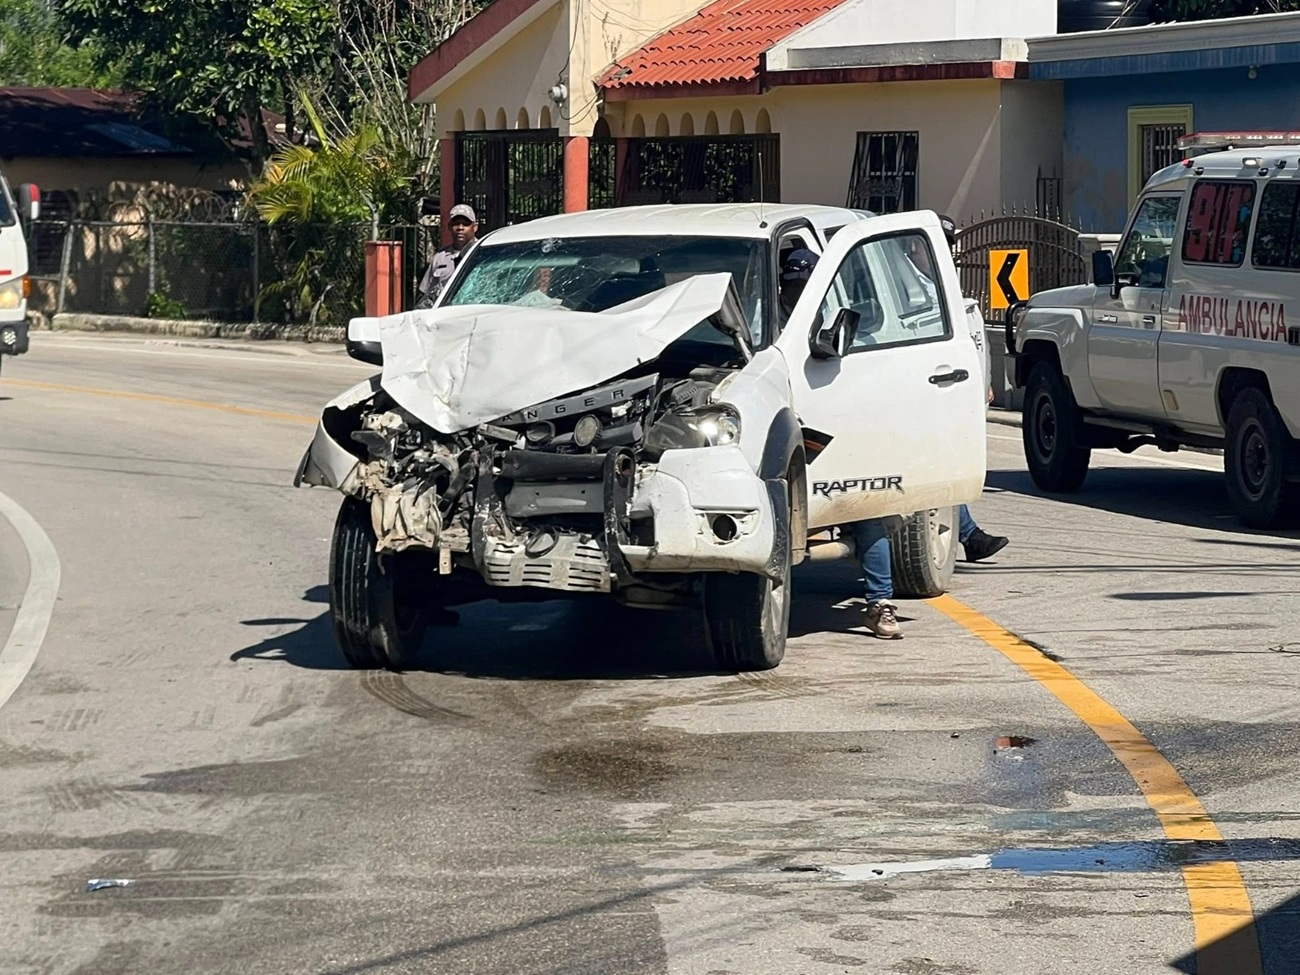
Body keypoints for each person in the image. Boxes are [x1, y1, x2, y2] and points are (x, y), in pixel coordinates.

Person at [933, 214, 1009, 565]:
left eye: (949, 247)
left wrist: (985, 382)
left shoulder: (947, 284)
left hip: (961, 393)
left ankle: (969, 535)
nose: (946, 253)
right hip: (936, 392)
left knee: (950, 466)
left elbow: (974, 343)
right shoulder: (920, 287)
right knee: (942, 467)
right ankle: (969, 535)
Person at [416, 203, 479, 308]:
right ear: (449, 227)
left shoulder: (481, 254)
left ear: (475, 227)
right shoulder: (440, 258)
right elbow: (426, 293)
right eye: (456, 223)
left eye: (465, 224)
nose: (460, 228)